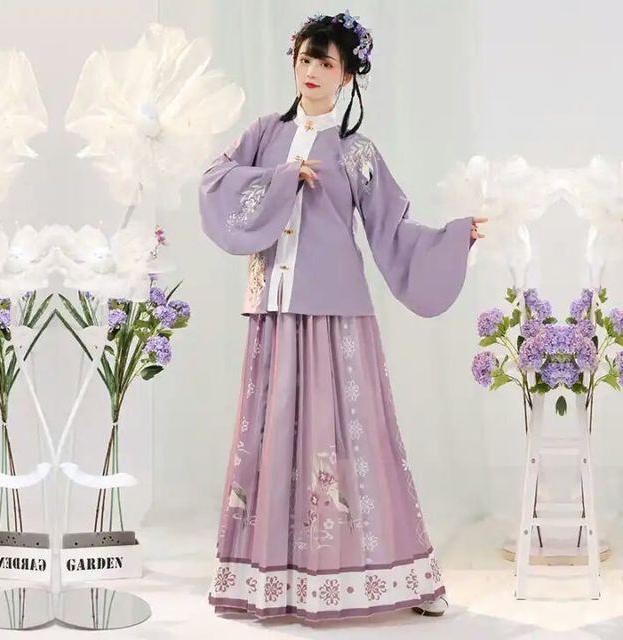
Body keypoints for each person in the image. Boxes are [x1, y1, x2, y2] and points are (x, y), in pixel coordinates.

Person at [198, 10, 486, 623]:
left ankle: (402, 574)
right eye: (305, 59)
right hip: (274, 311)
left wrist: (455, 237)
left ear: (348, 75)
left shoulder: (358, 153)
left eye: (325, 63)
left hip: (336, 314)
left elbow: (391, 230)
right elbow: (216, 181)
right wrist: (284, 179)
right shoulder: (264, 133)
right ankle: (273, 581)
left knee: (354, 437)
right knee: (274, 436)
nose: (312, 71)